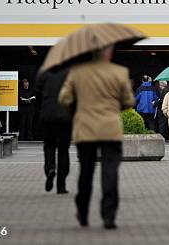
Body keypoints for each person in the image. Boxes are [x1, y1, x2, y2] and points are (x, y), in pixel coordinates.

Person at [59, 45, 134, 230]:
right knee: (110, 171)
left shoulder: (77, 72)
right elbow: (128, 101)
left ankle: (82, 212)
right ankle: (109, 215)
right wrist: (115, 107)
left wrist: (77, 111)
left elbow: (64, 98)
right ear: (108, 53)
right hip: (110, 129)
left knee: (86, 171)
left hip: (85, 128)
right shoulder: (120, 72)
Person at [36, 68, 71, 194]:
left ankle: (50, 168)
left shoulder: (43, 74)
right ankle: (61, 185)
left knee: (49, 145)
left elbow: (37, 95)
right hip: (65, 116)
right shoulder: (69, 73)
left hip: (48, 115)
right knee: (63, 149)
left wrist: (43, 109)